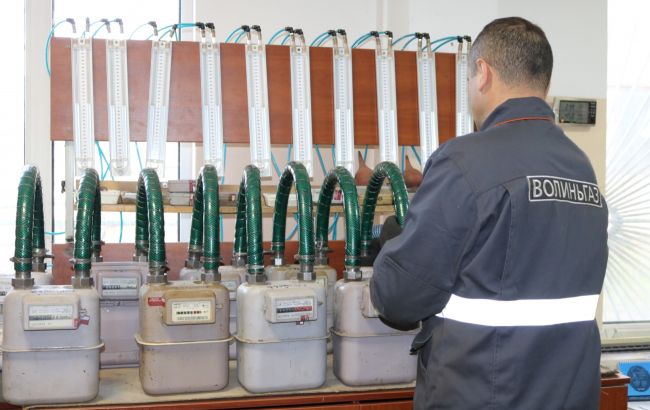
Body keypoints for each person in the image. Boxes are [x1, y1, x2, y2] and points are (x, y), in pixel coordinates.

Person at [370, 17, 608, 409]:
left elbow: (399, 298)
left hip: (483, 395)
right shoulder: (581, 168)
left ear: (483, 73)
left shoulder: (464, 162)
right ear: (544, 82)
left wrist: (393, 246)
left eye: (468, 79)